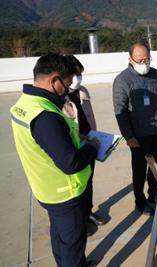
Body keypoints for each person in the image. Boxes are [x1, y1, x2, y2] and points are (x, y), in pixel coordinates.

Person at [10, 53, 99, 267]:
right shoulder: (46, 116)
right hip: (65, 192)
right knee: (72, 244)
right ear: (54, 80)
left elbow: (48, 143)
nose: (67, 90)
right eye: (66, 84)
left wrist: (76, 138)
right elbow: (71, 163)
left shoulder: (25, 104)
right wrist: (92, 148)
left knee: (60, 237)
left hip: (46, 188)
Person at [113, 43, 157, 215]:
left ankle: (154, 195)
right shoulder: (122, 80)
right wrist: (128, 136)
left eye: (147, 59)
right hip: (138, 137)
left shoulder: (155, 74)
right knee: (139, 171)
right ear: (130, 59)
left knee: (156, 168)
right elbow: (120, 111)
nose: (144, 63)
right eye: (140, 60)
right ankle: (140, 201)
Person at [62, 55, 106, 233]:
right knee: (78, 185)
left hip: (90, 142)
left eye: (80, 74)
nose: (78, 78)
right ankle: (79, 220)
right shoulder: (59, 97)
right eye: (75, 75)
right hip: (76, 145)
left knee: (89, 180)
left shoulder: (83, 91)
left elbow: (88, 116)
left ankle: (88, 212)